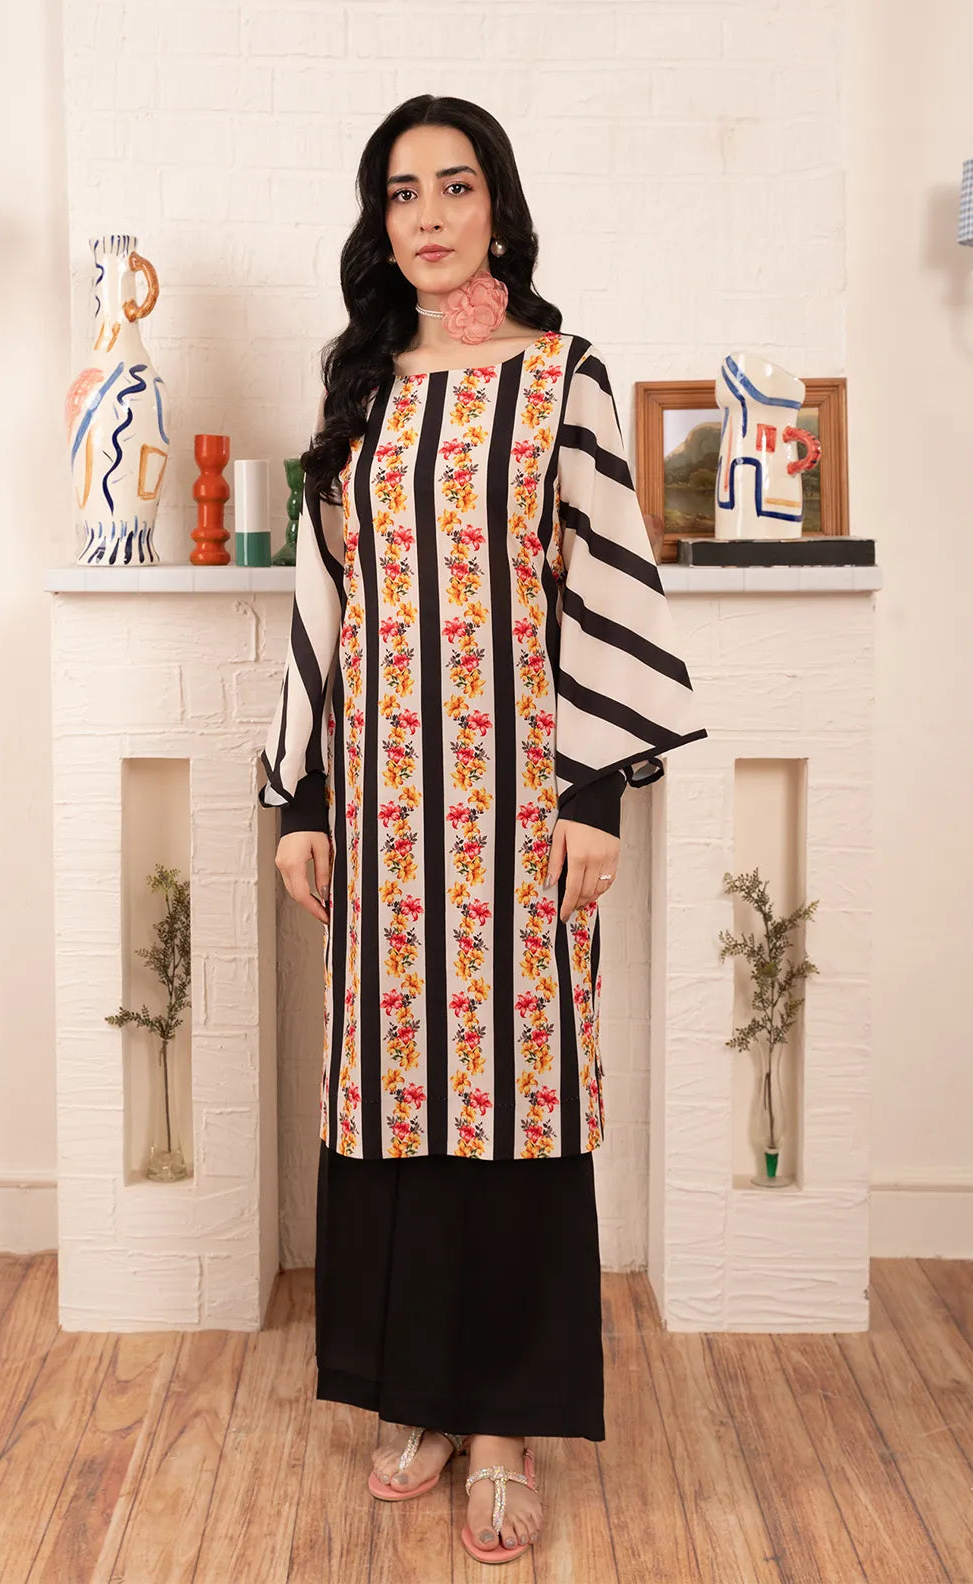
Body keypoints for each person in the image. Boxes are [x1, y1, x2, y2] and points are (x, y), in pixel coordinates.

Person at [258, 93, 708, 1565]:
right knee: (393, 1098)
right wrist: (304, 801)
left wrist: (595, 798)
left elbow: (609, 583)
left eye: (455, 186)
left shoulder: (562, 378)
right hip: (380, 816)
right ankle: (416, 1399)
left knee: (518, 1100)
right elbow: (325, 604)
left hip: (519, 814)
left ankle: (506, 1427)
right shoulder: (360, 389)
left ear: (498, 208)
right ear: (379, 223)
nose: (431, 216)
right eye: (403, 193)